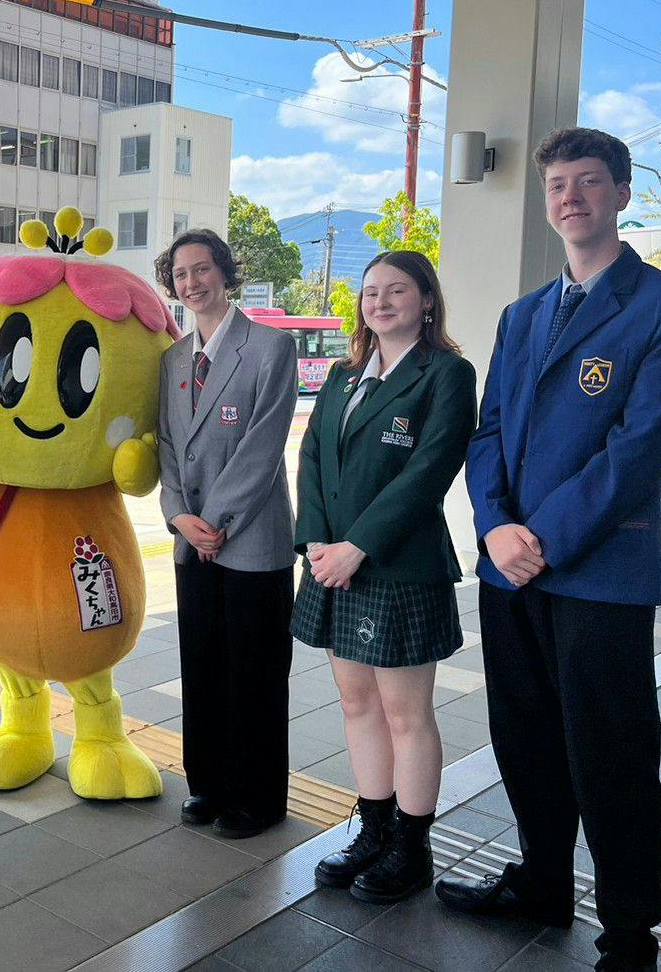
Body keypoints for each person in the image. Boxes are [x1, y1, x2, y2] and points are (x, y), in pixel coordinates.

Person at [438, 128, 661, 972]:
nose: (570, 197)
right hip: (508, 570)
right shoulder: (521, 315)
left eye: (588, 181)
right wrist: (494, 527)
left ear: (621, 193)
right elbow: (487, 433)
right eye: (557, 184)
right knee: (523, 738)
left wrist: (543, 539)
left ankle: (629, 930)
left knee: (611, 753)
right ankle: (541, 883)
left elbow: (637, 448)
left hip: (599, 573)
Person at [292, 250, 476, 903]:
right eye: (371, 292)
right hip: (333, 563)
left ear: (426, 300)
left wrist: (357, 547)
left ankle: (411, 847)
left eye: (396, 290)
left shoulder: (446, 373)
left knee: (406, 712)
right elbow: (312, 456)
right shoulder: (343, 376)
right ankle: (373, 831)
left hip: (398, 566)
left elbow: (429, 472)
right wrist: (317, 540)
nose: (380, 301)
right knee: (355, 702)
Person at [155, 229, 298, 839]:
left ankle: (257, 799)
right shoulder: (172, 359)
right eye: (180, 274)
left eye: (202, 269)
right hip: (192, 540)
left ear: (225, 272)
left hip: (252, 539)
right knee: (203, 663)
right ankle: (207, 784)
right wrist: (177, 514)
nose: (192, 283)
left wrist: (214, 519)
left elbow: (263, 445)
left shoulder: (270, 347)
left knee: (255, 672)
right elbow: (166, 445)